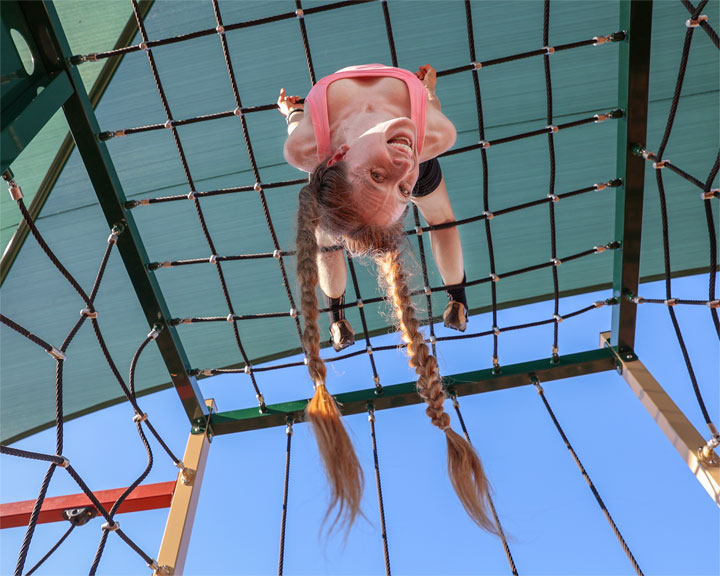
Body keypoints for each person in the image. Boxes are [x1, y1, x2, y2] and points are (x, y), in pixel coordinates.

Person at [278, 64, 496, 534]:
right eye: (401, 189)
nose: (401, 171)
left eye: (379, 174)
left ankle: (338, 311)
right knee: (440, 220)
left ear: (336, 155)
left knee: (329, 238)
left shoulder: (306, 150)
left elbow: (297, 127)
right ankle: (450, 295)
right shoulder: (428, 140)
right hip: (405, 135)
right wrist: (429, 95)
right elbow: (428, 124)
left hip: (334, 182)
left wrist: (293, 110)